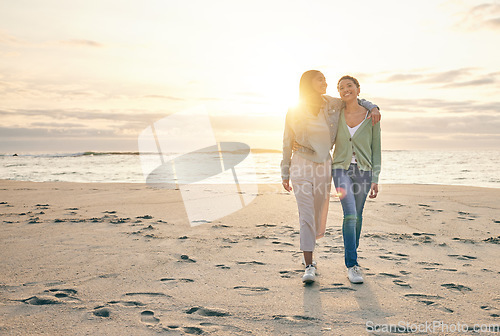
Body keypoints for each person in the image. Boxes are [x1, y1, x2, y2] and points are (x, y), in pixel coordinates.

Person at [281, 70, 380, 283]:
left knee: (319, 213)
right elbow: (287, 141)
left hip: (324, 166)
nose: (325, 83)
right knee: (306, 215)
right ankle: (309, 264)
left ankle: (325, 259)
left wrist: (373, 107)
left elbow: (354, 99)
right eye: (321, 80)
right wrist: (285, 170)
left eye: (326, 80)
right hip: (301, 163)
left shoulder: (333, 105)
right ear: (309, 83)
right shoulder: (294, 109)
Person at [331, 75, 381, 284]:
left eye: (349, 86)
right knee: (350, 214)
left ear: (358, 89)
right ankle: (352, 265)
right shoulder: (335, 113)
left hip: (364, 171)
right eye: (341, 88)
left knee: (358, 216)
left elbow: (376, 148)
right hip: (340, 169)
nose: (345, 90)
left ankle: (353, 257)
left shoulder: (371, 116)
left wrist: (376, 177)